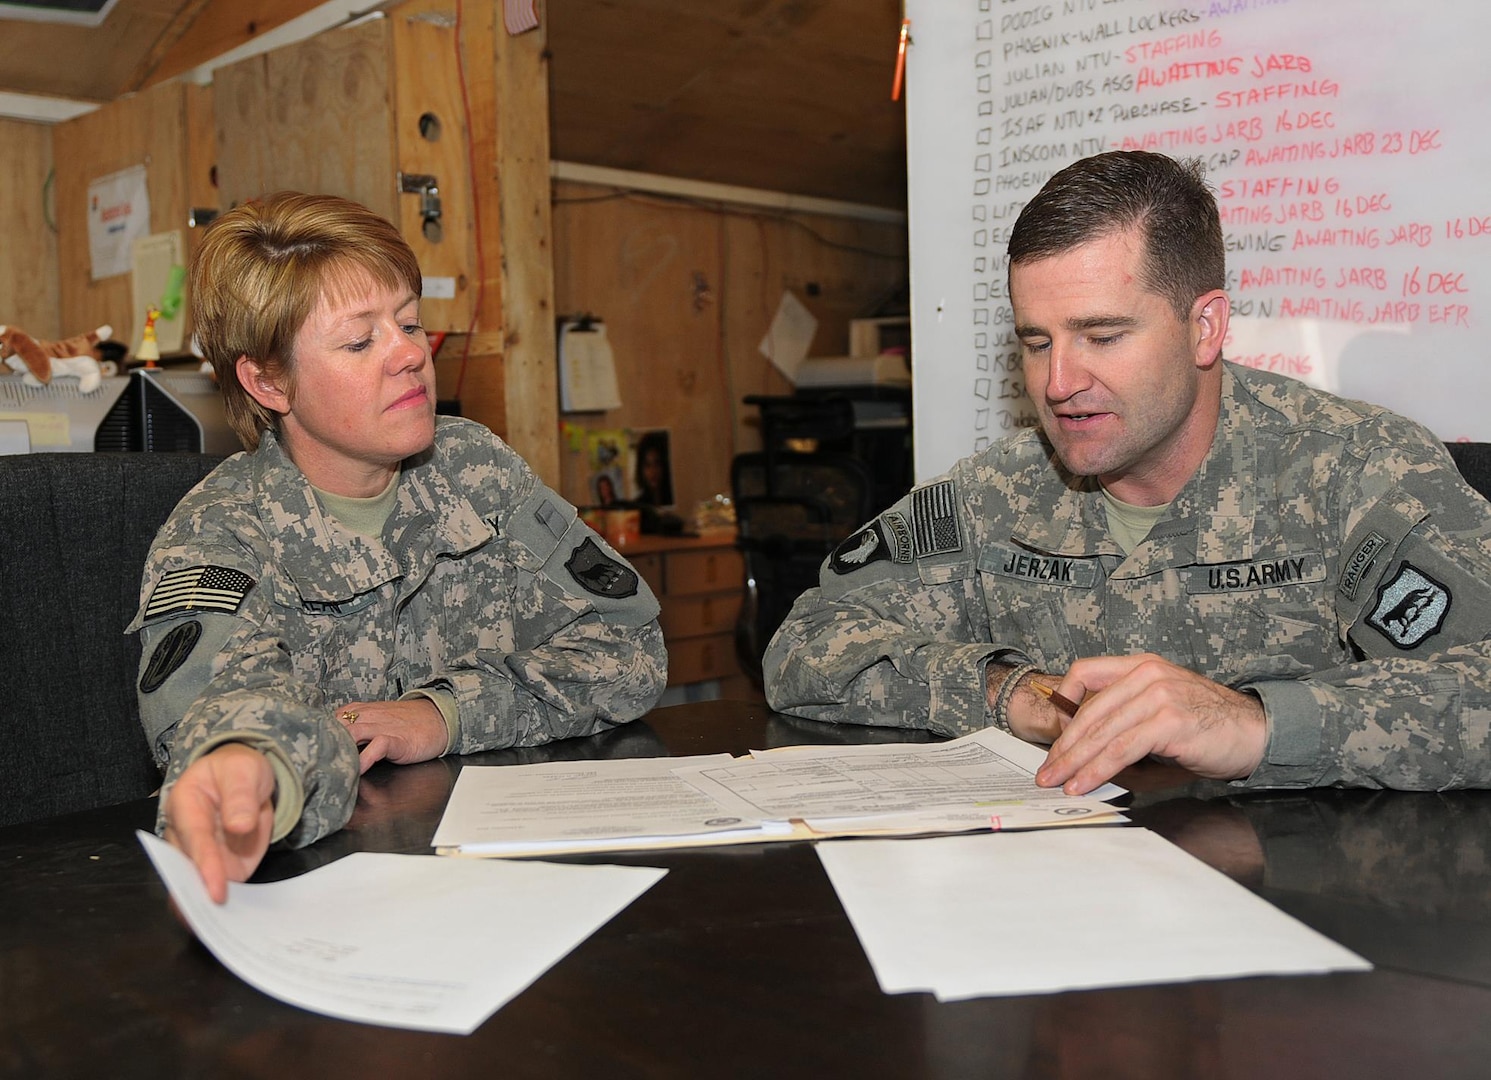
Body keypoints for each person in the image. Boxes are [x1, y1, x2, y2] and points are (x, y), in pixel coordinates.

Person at [763, 151, 1491, 795]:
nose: (1056, 382)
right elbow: (803, 645)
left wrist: (1257, 725)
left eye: (1101, 335)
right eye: (1036, 341)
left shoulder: (1352, 468)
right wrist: (1011, 693)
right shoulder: (998, 492)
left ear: (1203, 327)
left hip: (1320, 899)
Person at [130, 192, 668, 901]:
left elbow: (629, 648)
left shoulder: (475, 467)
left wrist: (446, 713)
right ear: (268, 382)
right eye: (360, 341)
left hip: (498, 880)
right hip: (334, 898)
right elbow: (223, 712)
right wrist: (250, 760)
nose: (410, 353)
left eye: (409, 323)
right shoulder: (221, 530)